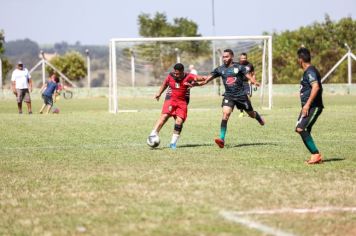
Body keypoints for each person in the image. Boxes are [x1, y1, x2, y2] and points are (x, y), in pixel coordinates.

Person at [199, 49, 265, 148]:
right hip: (229, 95)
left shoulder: (239, 67)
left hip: (241, 95)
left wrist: (254, 81)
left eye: (227, 56)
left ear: (232, 57)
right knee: (225, 114)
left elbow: (248, 75)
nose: (225, 59)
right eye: (223, 57)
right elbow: (208, 79)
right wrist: (198, 83)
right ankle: (221, 139)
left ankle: (258, 117)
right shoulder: (220, 69)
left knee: (251, 114)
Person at [148, 63, 204, 149]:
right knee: (165, 116)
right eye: (175, 73)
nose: (176, 75)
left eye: (178, 73)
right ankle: (153, 134)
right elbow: (165, 84)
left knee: (179, 121)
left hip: (183, 101)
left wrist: (201, 81)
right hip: (171, 99)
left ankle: (173, 143)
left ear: (182, 72)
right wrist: (159, 93)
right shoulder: (170, 76)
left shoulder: (189, 76)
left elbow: (202, 79)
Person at [295, 47, 324, 164]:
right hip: (308, 107)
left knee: (301, 128)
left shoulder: (310, 71)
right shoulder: (308, 71)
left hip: (313, 106)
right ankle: (315, 155)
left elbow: (316, 87)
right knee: (300, 128)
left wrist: (307, 105)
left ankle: (316, 154)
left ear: (300, 60)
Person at [238, 53, 255, 118]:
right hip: (239, 83)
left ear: (246, 58)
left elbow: (253, 74)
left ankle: (249, 111)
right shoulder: (237, 65)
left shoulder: (250, 65)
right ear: (240, 58)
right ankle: (241, 112)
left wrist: (253, 81)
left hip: (247, 83)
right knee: (240, 98)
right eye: (242, 58)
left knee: (248, 97)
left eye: (244, 58)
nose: (243, 59)